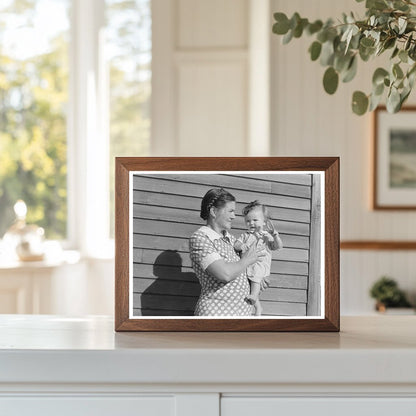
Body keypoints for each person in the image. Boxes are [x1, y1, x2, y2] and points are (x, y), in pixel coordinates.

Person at [189, 188, 263, 316]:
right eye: (231, 211)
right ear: (213, 211)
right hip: (217, 313)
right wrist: (247, 260)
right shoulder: (201, 238)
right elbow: (225, 273)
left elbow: (240, 269)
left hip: (241, 314)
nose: (234, 216)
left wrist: (258, 276)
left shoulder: (230, 239)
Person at [234, 201, 283, 316]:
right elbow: (236, 244)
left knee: (255, 279)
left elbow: (278, 246)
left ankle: (254, 297)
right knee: (250, 287)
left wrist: (275, 236)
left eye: (255, 220)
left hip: (260, 265)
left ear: (264, 222)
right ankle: (258, 308)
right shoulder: (245, 235)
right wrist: (242, 246)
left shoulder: (266, 236)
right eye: (248, 221)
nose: (251, 223)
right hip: (248, 266)